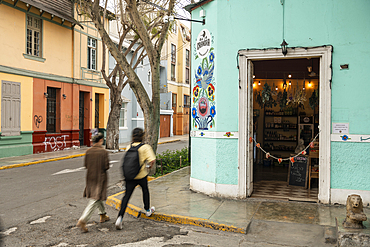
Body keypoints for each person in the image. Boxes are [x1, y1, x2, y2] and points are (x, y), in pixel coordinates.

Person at [115, 128, 156, 230]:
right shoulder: (145, 147)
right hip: (141, 175)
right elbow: (152, 160)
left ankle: (119, 218)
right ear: (142, 136)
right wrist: (149, 167)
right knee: (145, 191)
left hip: (130, 176)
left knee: (126, 196)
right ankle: (147, 210)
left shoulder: (129, 146)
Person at [77, 133, 110, 233]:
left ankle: (103, 214)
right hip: (100, 177)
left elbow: (86, 165)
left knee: (97, 195)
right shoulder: (103, 152)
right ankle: (83, 219)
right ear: (100, 140)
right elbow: (106, 166)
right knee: (95, 197)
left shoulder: (88, 151)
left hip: (90, 176)